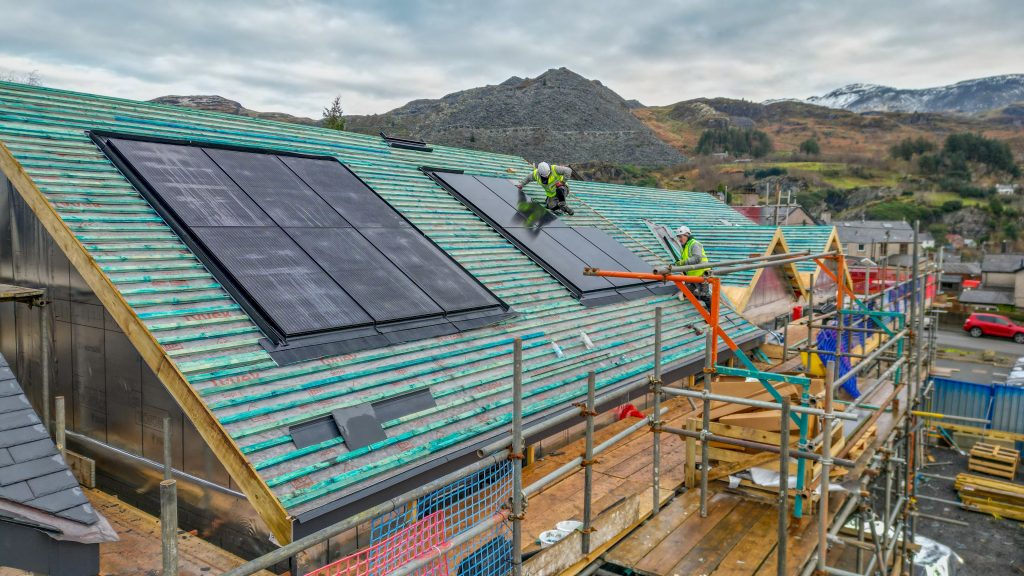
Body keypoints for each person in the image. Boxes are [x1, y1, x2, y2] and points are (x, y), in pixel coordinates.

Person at [674, 225, 713, 309]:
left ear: (687, 235)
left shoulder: (694, 244)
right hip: (693, 275)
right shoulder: (685, 247)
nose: (679, 239)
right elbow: (687, 262)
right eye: (678, 237)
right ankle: (686, 294)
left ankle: (712, 314)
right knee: (688, 290)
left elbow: (697, 258)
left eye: (681, 236)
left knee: (704, 295)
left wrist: (682, 263)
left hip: (703, 274)